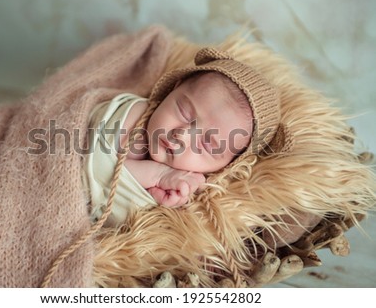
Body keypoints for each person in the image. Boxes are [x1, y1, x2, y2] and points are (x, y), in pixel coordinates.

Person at [85, 47, 287, 227]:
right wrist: (158, 175)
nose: (182, 135)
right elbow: (93, 169)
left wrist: (160, 202)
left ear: (228, 164)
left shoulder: (194, 188)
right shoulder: (136, 117)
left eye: (207, 144)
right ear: (174, 89)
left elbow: (145, 234)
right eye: (184, 112)